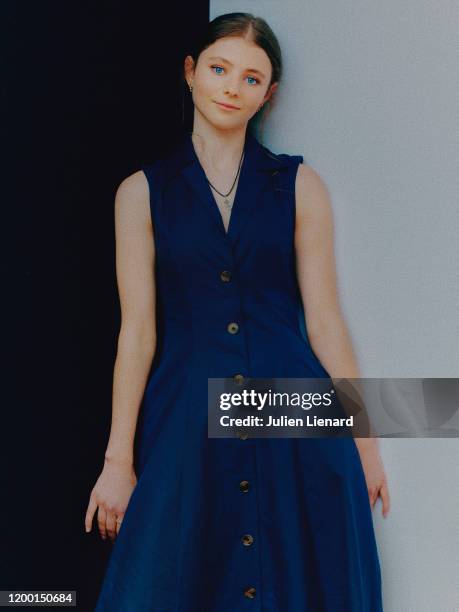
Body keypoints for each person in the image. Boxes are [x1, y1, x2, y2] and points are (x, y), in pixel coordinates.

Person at [86, 11, 390, 611]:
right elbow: (138, 333)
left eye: (252, 78)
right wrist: (117, 461)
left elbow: (324, 321)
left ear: (268, 96)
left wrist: (365, 437)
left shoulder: (300, 187)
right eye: (220, 69)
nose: (232, 86)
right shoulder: (141, 193)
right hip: (186, 418)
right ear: (191, 73)